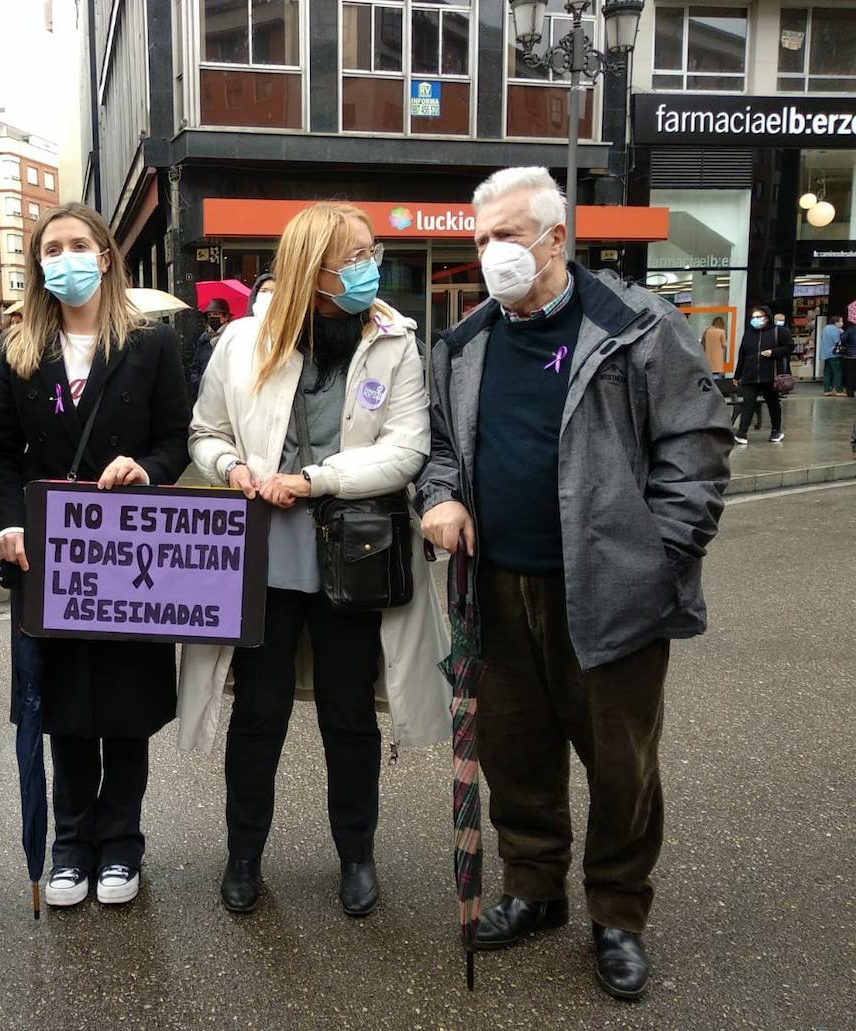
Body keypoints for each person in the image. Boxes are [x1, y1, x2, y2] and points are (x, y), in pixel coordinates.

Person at [415, 167, 733, 1000]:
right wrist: (442, 495)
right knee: (516, 755)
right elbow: (443, 447)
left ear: (557, 238)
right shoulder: (466, 342)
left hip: (612, 592)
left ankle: (619, 913)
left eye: (508, 236)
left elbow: (695, 449)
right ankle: (535, 888)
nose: (492, 254)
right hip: (498, 590)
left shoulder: (635, 326)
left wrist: (657, 557)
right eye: (480, 239)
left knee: (621, 765)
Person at [179, 202, 451, 918]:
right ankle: (243, 854)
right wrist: (234, 468)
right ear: (313, 268)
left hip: (355, 557)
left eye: (371, 250)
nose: (372, 264)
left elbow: (407, 448)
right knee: (258, 715)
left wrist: (314, 479)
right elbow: (204, 431)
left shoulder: (395, 340)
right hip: (264, 561)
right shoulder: (243, 342)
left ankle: (357, 855)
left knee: (349, 716)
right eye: (354, 256)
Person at [0, 201, 189, 909]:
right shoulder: (17, 352)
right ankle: (71, 841)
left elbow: (176, 441)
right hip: (49, 560)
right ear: (39, 264)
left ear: (104, 255)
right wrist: (4, 525)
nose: (64, 257)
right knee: (63, 705)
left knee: (126, 705)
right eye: (51, 248)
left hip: (130, 558)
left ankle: (122, 840)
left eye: (78, 244)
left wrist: (149, 470)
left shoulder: (153, 345)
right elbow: (1, 456)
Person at [732, 304, 793, 446]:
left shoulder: (779, 331)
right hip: (750, 375)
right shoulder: (748, 334)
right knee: (748, 403)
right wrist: (737, 375)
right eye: (753, 317)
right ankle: (742, 433)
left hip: (770, 375)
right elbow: (742, 355)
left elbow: (789, 347)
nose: (755, 320)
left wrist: (773, 352)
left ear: (767, 317)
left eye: (758, 317)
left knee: (772, 403)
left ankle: (776, 430)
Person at [188, 297, 231, 400]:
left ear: (226, 317)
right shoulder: (204, 339)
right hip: (204, 395)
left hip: (225, 397)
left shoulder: (232, 338)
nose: (212, 318)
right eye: (209, 315)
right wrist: (199, 383)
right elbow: (195, 367)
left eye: (216, 314)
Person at [820, 314, 844, 396]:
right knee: (837, 372)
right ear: (836, 322)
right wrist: (841, 333)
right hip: (833, 353)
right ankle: (838, 390)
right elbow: (837, 341)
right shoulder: (835, 330)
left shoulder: (825, 328)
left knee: (827, 372)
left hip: (825, 353)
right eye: (841, 321)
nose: (842, 323)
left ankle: (827, 390)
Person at [841, 315, 856, 398]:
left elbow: (843, 340)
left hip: (851, 355)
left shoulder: (850, 330)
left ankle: (850, 392)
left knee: (851, 374)